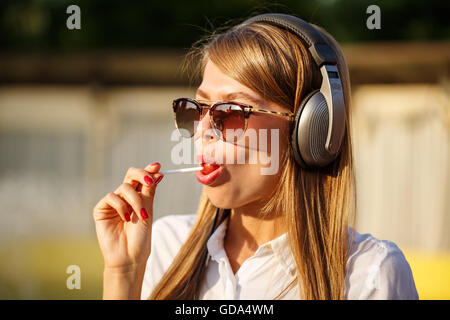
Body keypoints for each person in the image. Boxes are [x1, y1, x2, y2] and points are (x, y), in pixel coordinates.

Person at [93, 13, 419, 300]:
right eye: (195, 109)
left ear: (311, 130)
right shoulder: (162, 247)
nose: (203, 128)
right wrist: (123, 275)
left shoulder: (370, 274)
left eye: (230, 112)